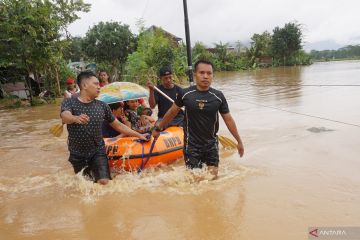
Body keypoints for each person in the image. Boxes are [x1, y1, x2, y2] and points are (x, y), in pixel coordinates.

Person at [152, 60, 245, 178]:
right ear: (195, 74)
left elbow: (228, 120)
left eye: (209, 73)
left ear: (212, 75)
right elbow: (172, 112)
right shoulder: (185, 94)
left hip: (211, 144)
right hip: (191, 145)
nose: (205, 76)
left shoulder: (218, 96)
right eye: (202, 73)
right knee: (195, 181)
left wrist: (239, 141)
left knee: (212, 179)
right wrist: (158, 128)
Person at [61, 71, 147, 185]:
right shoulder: (69, 102)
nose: (99, 87)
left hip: (98, 151)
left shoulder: (102, 105)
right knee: (85, 184)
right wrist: (75, 118)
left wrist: (139, 135)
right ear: (84, 85)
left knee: (104, 182)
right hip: (77, 153)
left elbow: (118, 125)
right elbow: (64, 116)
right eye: (96, 84)